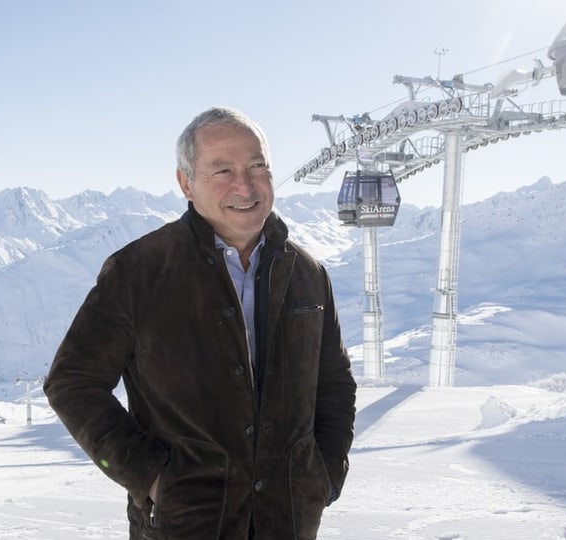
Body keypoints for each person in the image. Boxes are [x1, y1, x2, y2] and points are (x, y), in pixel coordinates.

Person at [43, 106, 357, 540]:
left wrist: (325, 474)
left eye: (257, 165)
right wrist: (150, 478)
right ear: (186, 183)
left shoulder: (307, 273)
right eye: (222, 170)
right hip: (184, 524)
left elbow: (335, 382)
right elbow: (72, 382)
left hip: (288, 521)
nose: (244, 184)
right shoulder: (138, 272)